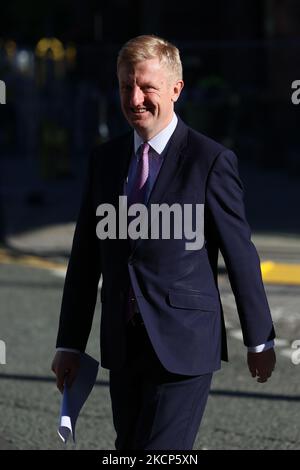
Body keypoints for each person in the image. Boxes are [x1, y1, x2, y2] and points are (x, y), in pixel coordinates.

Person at [51, 35, 276, 450]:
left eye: (146, 87)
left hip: (184, 344)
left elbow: (239, 253)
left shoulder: (210, 161)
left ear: (176, 89)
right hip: (123, 345)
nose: (135, 98)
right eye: (125, 87)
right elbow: (85, 260)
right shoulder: (106, 160)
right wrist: (70, 344)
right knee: (129, 450)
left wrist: (258, 339)